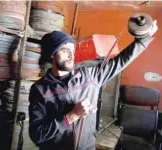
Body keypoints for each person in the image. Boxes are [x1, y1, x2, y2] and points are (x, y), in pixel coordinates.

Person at [29, 20, 158, 150]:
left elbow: (122, 60)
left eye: (72, 50)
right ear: (52, 54)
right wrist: (72, 116)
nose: (71, 54)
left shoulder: (91, 76)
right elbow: (36, 134)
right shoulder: (40, 89)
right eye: (64, 50)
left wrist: (144, 38)